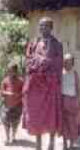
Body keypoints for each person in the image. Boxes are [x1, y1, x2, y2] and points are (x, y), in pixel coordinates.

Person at [23, 17, 63, 150]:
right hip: (36, 86)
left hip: (51, 85)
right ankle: (38, 142)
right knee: (36, 114)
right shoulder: (33, 43)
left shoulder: (57, 45)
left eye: (45, 26)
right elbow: (28, 61)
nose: (42, 29)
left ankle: (51, 142)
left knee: (51, 114)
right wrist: (40, 61)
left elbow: (59, 63)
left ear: (51, 28)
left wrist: (48, 63)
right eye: (40, 26)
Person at [62, 53, 80, 150]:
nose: (68, 64)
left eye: (70, 62)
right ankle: (65, 145)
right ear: (63, 63)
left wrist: (79, 101)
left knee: (73, 124)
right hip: (63, 101)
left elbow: (78, 89)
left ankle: (71, 145)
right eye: (66, 62)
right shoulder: (60, 74)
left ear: (73, 63)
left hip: (73, 101)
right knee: (64, 124)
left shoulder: (75, 74)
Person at [0, 62, 23, 145]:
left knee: (15, 122)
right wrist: (8, 93)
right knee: (6, 122)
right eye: (9, 70)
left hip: (18, 106)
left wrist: (19, 95)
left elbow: (24, 92)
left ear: (16, 71)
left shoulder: (20, 81)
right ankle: (7, 138)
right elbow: (1, 92)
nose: (11, 72)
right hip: (7, 106)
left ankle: (13, 136)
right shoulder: (5, 80)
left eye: (13, 70)